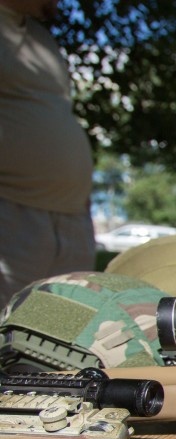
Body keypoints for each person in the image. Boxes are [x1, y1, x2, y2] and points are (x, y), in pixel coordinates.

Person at [0, 0, 95, 309]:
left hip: (71, 214)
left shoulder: (41, 37)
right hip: (14, 213)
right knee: (9, 328)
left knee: (70, 327)